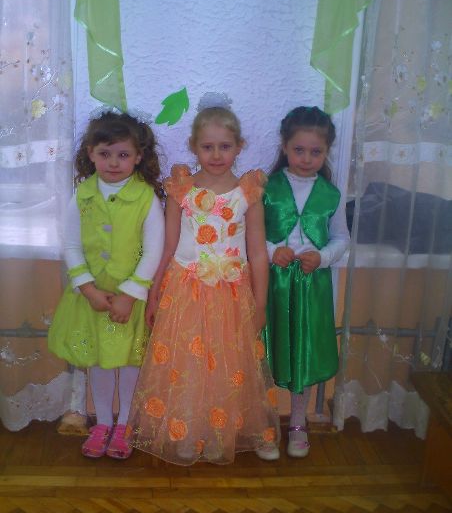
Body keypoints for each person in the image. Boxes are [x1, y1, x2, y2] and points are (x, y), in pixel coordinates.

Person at [127, 93, 280, 465]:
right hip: (185, 292)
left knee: (234, 365)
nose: (216, 154)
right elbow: (167, 246)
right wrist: (153, 293)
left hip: (233, 295)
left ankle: (235, 431)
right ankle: (189, 431)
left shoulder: (248, 193)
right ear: (194, 146)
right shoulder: (181, 189)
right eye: (207, 146)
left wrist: (261, 304)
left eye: (225, 146)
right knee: (188, 364)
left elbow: (259, 253)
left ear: (239, 146)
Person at [48, 110, 165, 460]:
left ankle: (125, 423)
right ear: (91, 153)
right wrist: (88, 289)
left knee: (128, 363)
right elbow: (71, 245)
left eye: (123, 154)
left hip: (130, 300)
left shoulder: (146, 197)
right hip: (92, 299)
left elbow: (154, 251)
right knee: (98, 361)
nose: (114, 162)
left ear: (138, 157)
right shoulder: (82, 195)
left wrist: (130, 294)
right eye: (105, 153)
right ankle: (102, 422)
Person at [263, 106, 350, 458]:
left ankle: (298, 421)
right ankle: (265, 421)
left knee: (303, 351)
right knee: (266, 349)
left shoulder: (331, 194)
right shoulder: (265, 188)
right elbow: (246, 235)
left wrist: (323, 257)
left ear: (326, 152)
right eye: (299, 150)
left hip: (312, 286)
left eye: (316, 151)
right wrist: (272, 251)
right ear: (285, 146)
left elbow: (341, 237)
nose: (307, 158)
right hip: (272, 284)